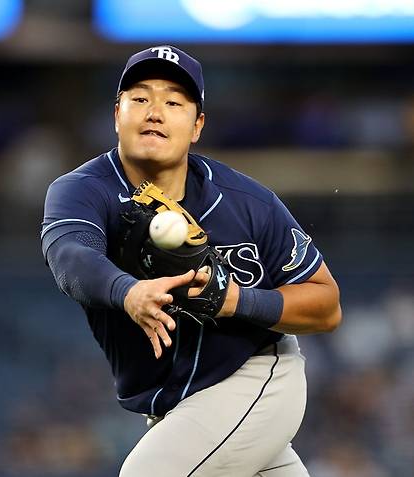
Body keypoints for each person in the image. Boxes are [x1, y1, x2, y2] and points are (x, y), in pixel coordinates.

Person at [41, 45, 341, 476]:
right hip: (179, 409)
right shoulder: (83, 190)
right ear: (116, 115)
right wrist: (128, 290)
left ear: (197, 125)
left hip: (255, 377)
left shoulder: (247, 203)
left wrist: (237, 300)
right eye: (140, 98)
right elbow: (70, 255)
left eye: (174, 102)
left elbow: (326, 306)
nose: (155, 112)